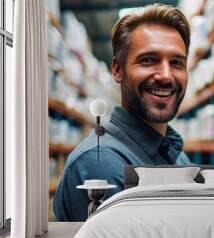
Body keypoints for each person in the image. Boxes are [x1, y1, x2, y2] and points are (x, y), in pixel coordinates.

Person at [53, 4, 192, 222]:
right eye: (148, 60)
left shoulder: (178, 157)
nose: (166, 75)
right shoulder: (99, 163)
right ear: (118, 70)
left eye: (176, 63)